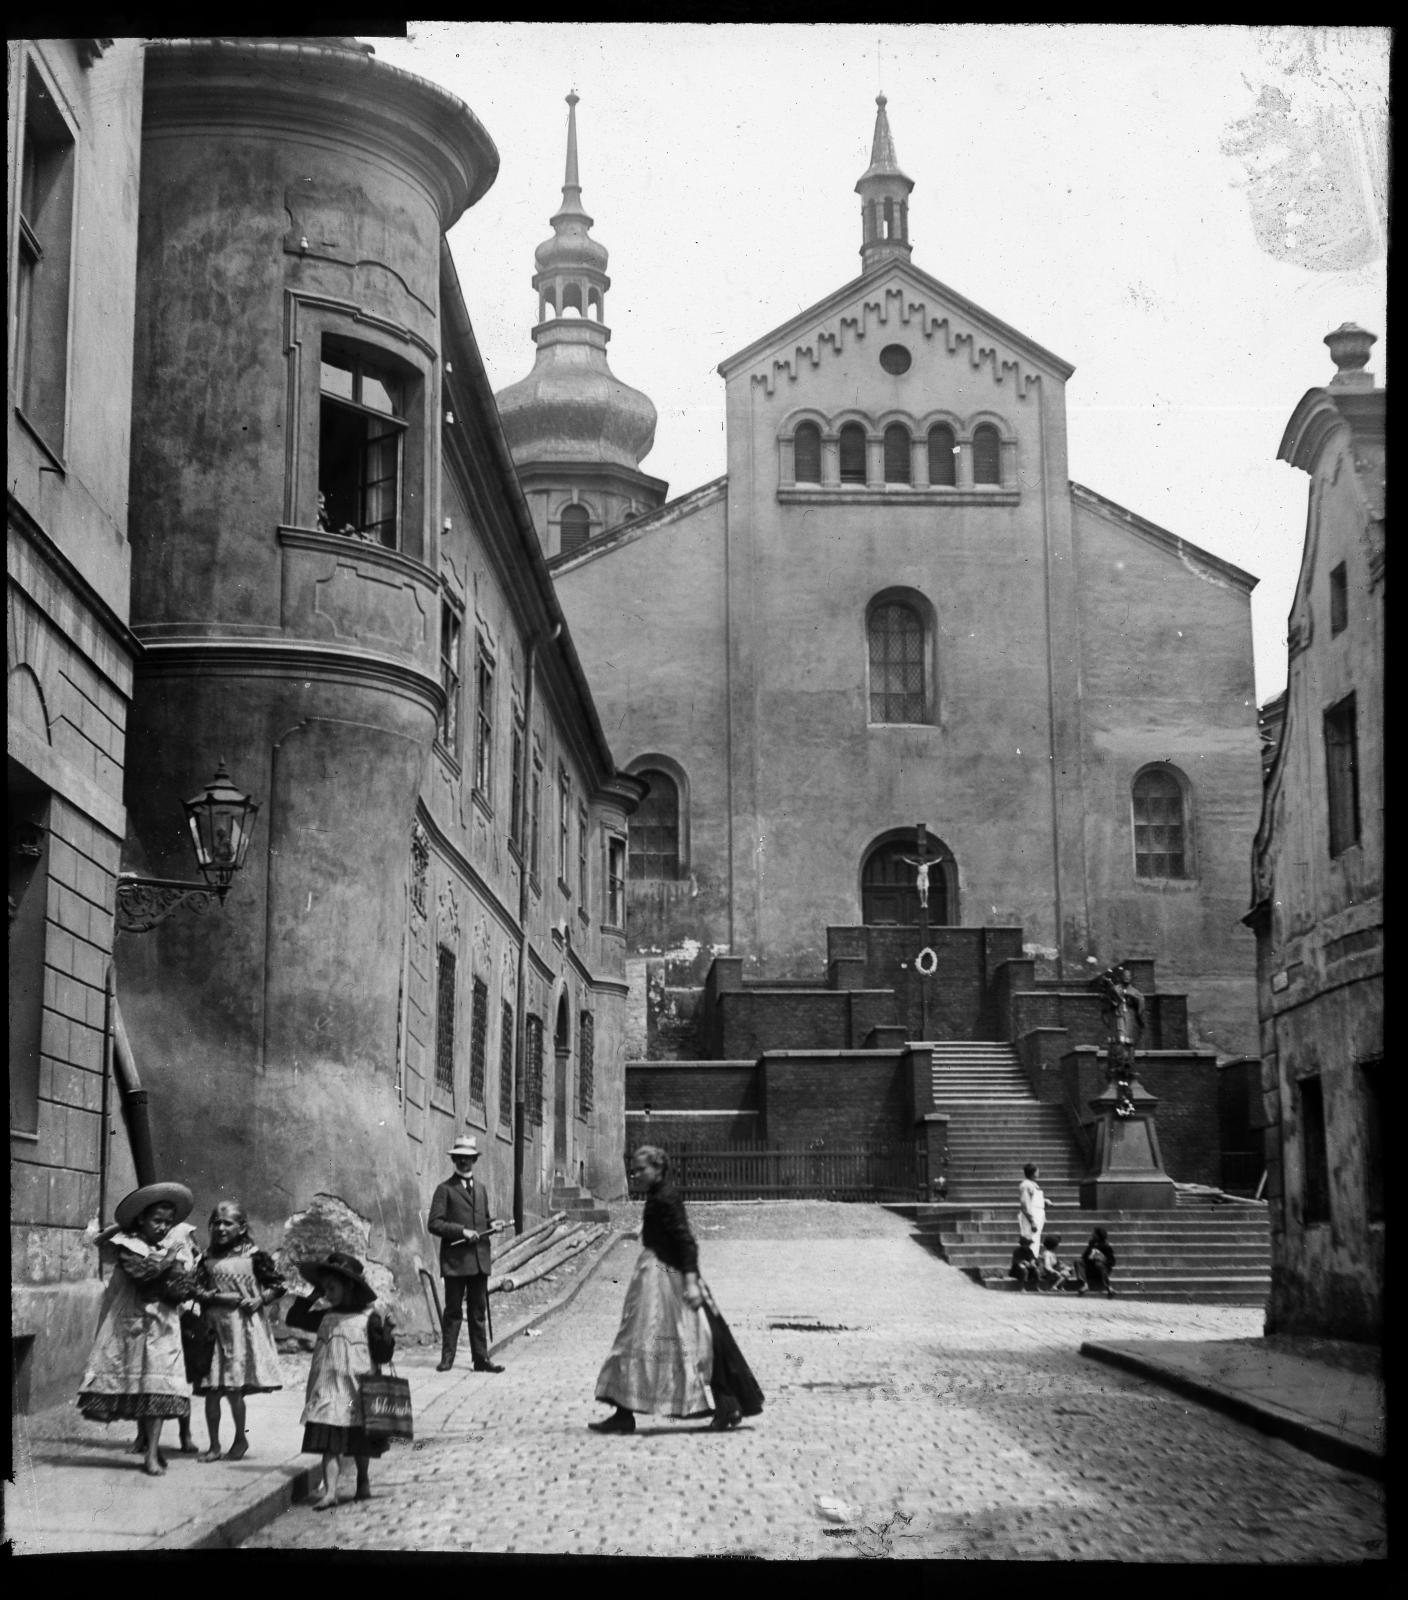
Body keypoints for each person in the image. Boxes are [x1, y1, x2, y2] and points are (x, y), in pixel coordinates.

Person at [590, 1144, 722, 1434]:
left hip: (663, 1276)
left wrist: (690, 1279)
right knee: (639, 1339)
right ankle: (624, 1412)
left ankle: (705, 1403)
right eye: (633, 1169)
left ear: (658, 1169)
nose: (635, 1174)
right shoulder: (656, 1196)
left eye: (641, 1169)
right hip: (653, 1273)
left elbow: (685, 1240)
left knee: (646, 1338)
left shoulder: (666, 1198)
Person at [77, 1181, 199, 1476]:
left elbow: (183, 1285)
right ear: (141, 1219)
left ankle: (153, 1452)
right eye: (157, 1220)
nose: (162, 1227)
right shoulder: (128, 1246)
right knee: (139, 1383)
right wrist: (168, 1262)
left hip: (163, 1326)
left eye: (168, 1223)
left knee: (157, 1384)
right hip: (132, 1325)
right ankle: (146, 1444)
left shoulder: (173, 1248)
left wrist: (180, 1283)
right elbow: (142, 1275)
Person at [286, 1250, 396, 1510]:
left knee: (359, 1443)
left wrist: (388, 1333)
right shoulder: (325, 1316)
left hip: (357, 1390)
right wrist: (313, 1294)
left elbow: (381, 1353)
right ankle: (331, 1491)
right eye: (324, 1289)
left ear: (349, 1287)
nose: (327, 1294)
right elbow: (294, 1318)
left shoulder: (369, 1319)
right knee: (329, 1442)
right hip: (327, 1389)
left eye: (331, 1288)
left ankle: (363, 1481)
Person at [193, 1201, 286, 1461]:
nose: (221, 1228)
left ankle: (240, 1438)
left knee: (234, 1389)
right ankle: (213, 1445)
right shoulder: (206, 1258)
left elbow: (278, 1285)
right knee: (212, 1388)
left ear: (241, 1227)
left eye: (228, 1223)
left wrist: (260, 1300)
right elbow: (195, 1288)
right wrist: (215, 1297)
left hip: (241, 1329)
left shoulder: (254, 1256)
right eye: (217, 1223)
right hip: (214, 1329)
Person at [427, 1134, 507, 1373]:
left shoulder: (481, 1189)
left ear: (474, 1160)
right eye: (460, 1158)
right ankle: (447, 1359)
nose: (464, 1163)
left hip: (479, 1261)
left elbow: (483, 1221)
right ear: (454, 1160)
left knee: (478, 1311)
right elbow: (435, 1223)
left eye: (468, 1158)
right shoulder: (445, 1190)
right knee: (453, 1311)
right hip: (456, 1261)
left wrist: (495, 1224)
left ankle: (481, 1359)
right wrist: (462, 1231)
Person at [1078, 1227, 1117, 1298]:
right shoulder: (1091, 1244)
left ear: (1098, 1235)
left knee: (1098, 1264)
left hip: (1101, 1270)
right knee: (1078, 1261)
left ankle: (1108, 1287)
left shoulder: (1106, 1246)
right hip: (1090, 1269)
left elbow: (1112, 1262)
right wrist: (1090, 1255)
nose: (1092, 1234)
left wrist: (1101, 1259)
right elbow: (1084, 1257)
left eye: (1094, 1233)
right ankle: (1085, 1284)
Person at [1017, 1162, 1046, 1256]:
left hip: (1037, 1213)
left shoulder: (1033, 1185)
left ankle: (1033, 1259)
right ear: (1033, 1173)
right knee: (1030, 1239)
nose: (1038, 1173)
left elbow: (1034, 1199)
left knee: (1036, 1239)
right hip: (1031, 1215)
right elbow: (1025, 1203)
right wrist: (1032, 1220)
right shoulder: (1026, 1185)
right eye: (1037, 1171)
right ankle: (1030, 1261)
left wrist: (1044, 1201)